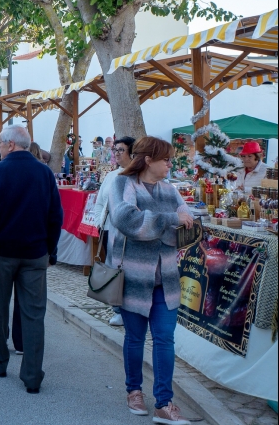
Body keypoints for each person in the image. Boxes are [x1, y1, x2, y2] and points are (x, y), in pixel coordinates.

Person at [108, 136, 194, 423]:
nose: (171, 163)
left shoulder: (171, 189)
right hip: (133, 277)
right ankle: (134, 390)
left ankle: (164, 402)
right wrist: (169, 220)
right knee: (134, 338)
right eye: (166, 159)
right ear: (148, 159)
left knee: (164, 339)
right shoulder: (124, 184)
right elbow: (127, 220)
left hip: (167, 279)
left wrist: (160, 223)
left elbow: (187, 226)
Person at [0, 125, 62, 395]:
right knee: (34, 314)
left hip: (0, 251)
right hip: (35, 252)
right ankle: (32, 375)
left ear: (10, 145)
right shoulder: (44, 172)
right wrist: (50, 249)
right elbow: (55, 216)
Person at [89, 136, 135, 327]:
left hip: (129, 233)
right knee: (113, 268)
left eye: (120, 150)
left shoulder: (136, 176)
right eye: (114, 150)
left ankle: (130, 310)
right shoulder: (110, 176)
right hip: (109, 230)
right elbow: (101, 202)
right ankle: (117, 309)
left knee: (128, 272)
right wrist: (100, 222)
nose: (115, 154)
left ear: (132, 153)